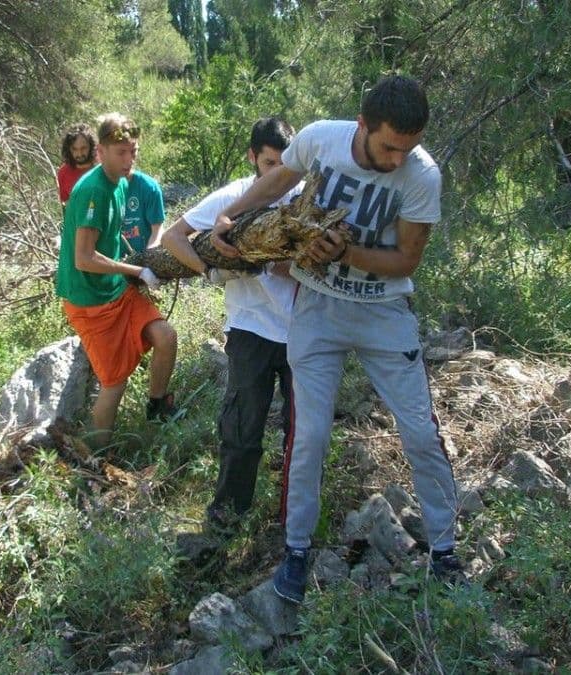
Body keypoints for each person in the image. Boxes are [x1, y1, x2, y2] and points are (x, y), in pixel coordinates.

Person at [212, 76, 464, 603]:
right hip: (319, 309)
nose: (398, 159)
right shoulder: (321, 139)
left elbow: (406, 260)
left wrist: (343, 253)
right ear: (363, 125)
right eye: (389, 146)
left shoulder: (422, 176)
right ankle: (296, 552)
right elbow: (278, 182)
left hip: (384, 312)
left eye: (408, 148)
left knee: (420, 431)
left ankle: (444, 552)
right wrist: (230, 217)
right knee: (310, 435)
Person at [162, 118, 302, 543]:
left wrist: (286, 264)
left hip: (306, 331)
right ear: (252, 158)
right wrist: (212, 270)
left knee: (304, 433)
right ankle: (225, 523)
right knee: (242, 430)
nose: (277, 171)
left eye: (285, 163)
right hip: (252, 328)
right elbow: (173, 238)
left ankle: (295, 526)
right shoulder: (235, 196)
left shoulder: (305, 194)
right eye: (269, 163)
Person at [56, 113, 178, 448]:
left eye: (133, 151)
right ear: (101, 154)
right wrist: (136, 271)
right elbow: (84, 258)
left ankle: (156, 407)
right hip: (88, 299)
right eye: (120, 152)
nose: (129, 160)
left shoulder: (121, 183)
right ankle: (97, 458)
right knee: (114, 383)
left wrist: (142, 263)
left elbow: (113, 238)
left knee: (165, 336)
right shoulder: (92, 192)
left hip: (116, 289)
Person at [121, 170, 165, 253]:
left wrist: (149, 255)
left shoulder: (149, 187)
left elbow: (157, 231)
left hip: (142, 255)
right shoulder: (98, 188)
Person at [57, 123, 97, 208]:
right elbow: (64, 206)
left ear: (91, 146)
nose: (79, 154)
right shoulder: (63, 173)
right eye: (74, 149)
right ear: (68, 149)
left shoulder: (102, 169)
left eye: (83, 148)